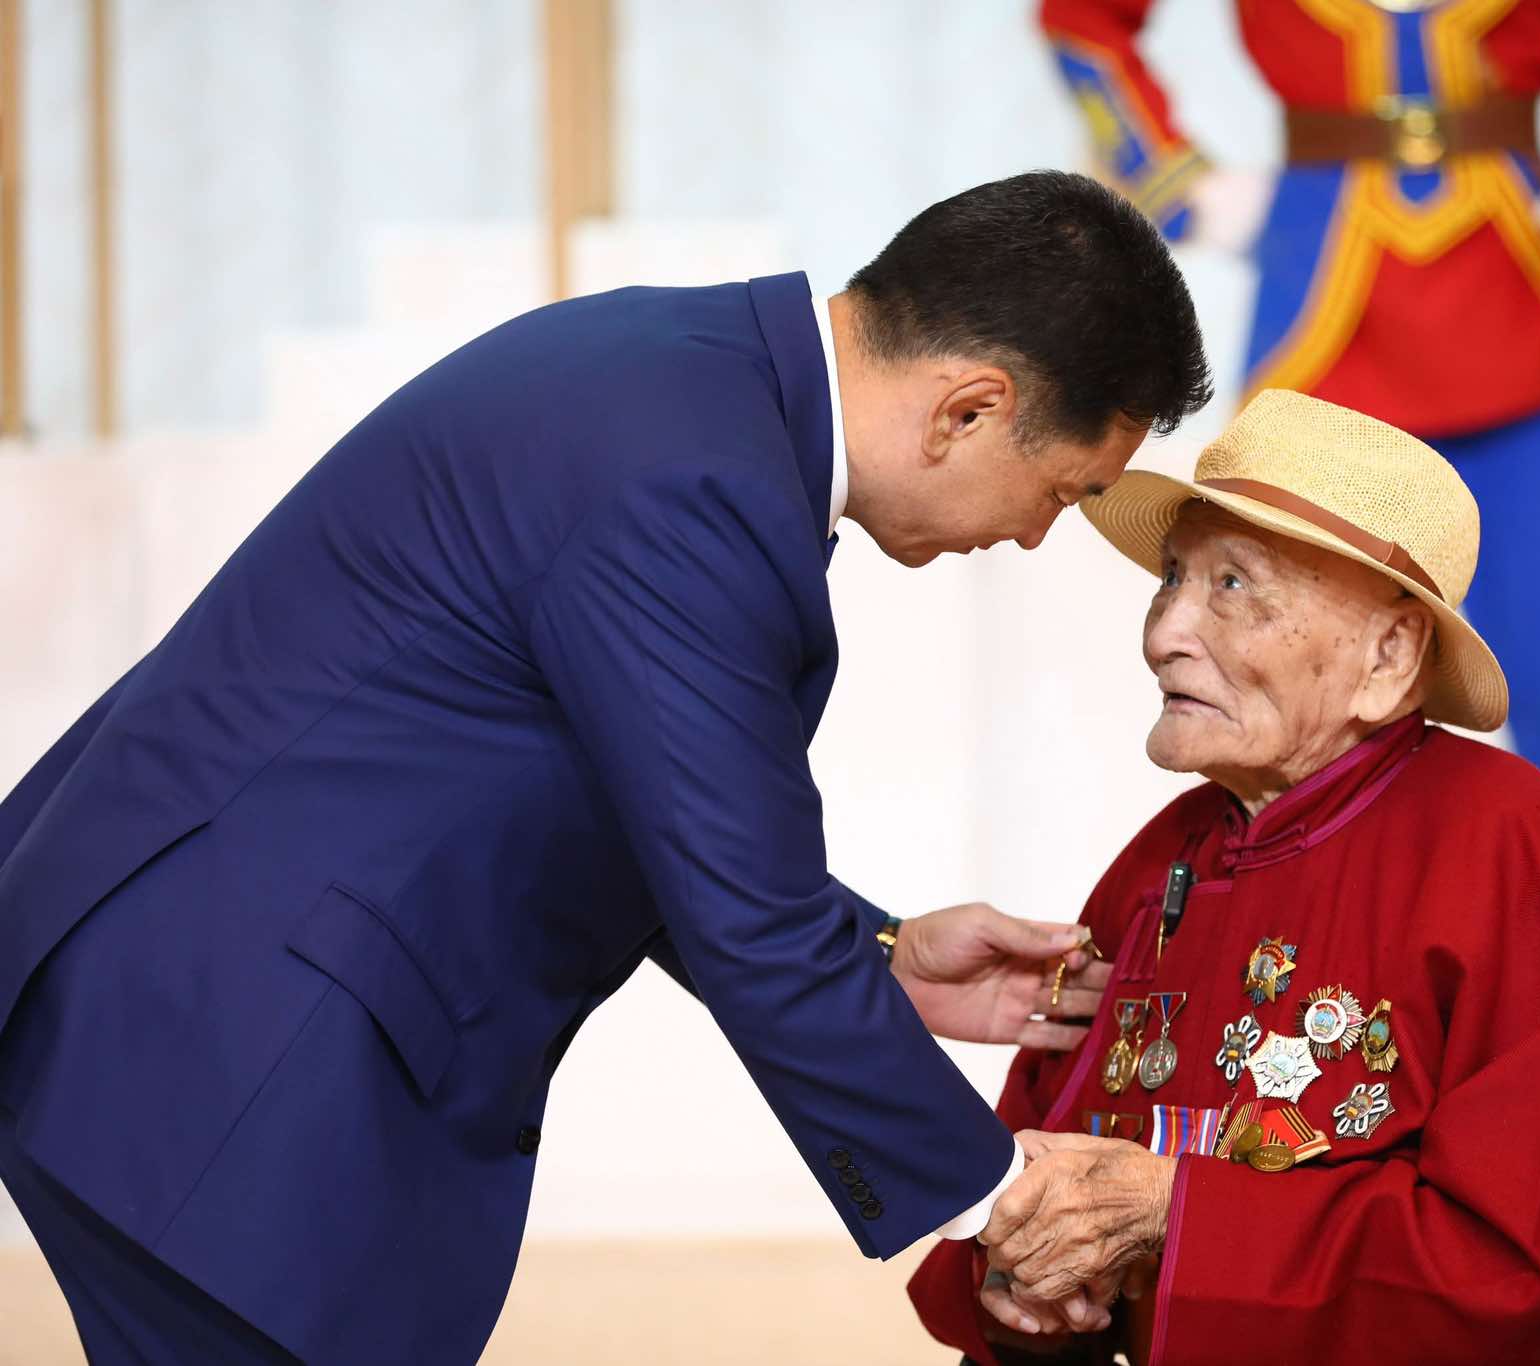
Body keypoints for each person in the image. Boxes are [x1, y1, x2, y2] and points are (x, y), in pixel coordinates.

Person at [0, 170, 1212, 1364]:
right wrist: (1005, 1195)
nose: (1031, 534)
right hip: (233, 1049)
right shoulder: (694, 480)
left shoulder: (691, 385)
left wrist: (884, 955)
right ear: (969, 410)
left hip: (212, 1008)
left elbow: (654, 809)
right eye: (1060, 492)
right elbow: (748, 912)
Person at [907, 390, 1540, 1365]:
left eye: (1233, 584)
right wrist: (1017, 1280)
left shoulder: (1519, 852)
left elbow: (1521, 1272)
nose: (1163, 632)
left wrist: (1172, 1214)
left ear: (1388, 655)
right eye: (1172, 576)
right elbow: (1020, 1177)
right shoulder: (1159, 861)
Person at [1035, 0, 1540, 878]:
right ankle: (1288, 960)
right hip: (1329, 321)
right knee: (1290, 696)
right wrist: (1174, 177)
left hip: (1526, 317)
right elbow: (1082, 16)